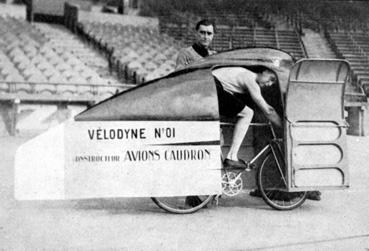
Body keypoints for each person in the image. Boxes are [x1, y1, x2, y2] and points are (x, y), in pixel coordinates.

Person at [212, 66, 282, 168]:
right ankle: (232, 156)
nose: (269, 84)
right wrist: (282, 127)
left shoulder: (244, 75)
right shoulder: (250, 78)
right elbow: (268, 110)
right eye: (271, 79)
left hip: (213, 85)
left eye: (272, 83)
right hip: (213, 84)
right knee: (248, 113)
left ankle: (231, 155)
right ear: (264, 71)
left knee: (239, 110)